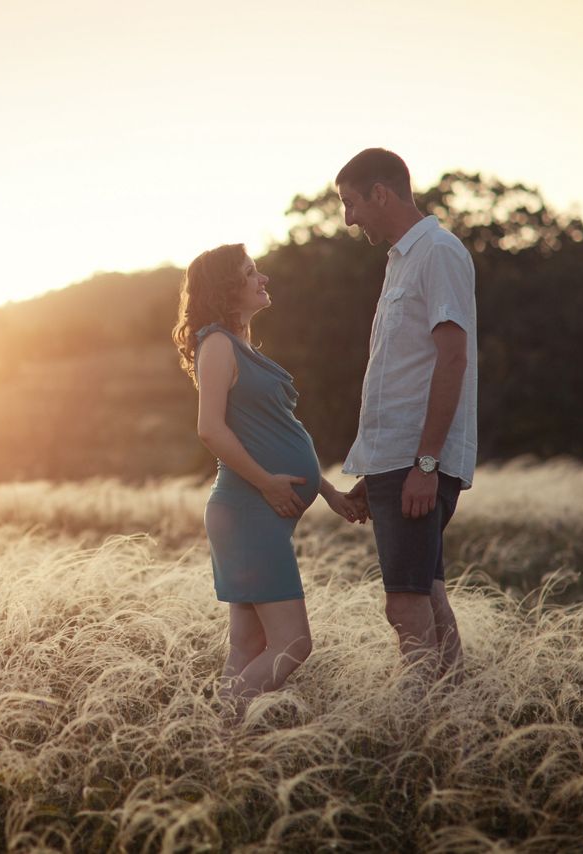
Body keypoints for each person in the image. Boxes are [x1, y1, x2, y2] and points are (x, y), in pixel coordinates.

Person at [172, 243, 363, 717]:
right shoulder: (216, 344)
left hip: (257, 512)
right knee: (294, 643)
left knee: (247, 646)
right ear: (227, 288)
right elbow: (209, 429)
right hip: (245, 511)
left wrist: (326, 490)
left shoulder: (241, 347)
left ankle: (225, 752)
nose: (264, 279)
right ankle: (218, 730)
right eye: (252, 272)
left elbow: (279, 433)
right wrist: (266, 484)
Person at [335, 148, 478, 685]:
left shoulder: (437, 252)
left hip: (417, 461)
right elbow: (398, 375)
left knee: (406, 607)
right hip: (394, 461)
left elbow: (453, 357)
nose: (349, 218)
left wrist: (425, 462)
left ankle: (417, 733)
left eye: (351, 203)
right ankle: (458, 719)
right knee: (428, 594)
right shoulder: (401, 261)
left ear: (381, 193)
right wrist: (373, 473)